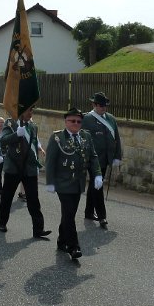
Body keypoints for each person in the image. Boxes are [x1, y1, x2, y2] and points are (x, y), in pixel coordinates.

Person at [45, 108, 102, 260]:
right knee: (69, 214)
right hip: (63, 183)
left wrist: (97, 175)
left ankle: (61, 240)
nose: (76, 124)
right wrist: (50, 182)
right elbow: (50, 161)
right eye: (72, 121)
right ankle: (73, 246)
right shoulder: (57, 138)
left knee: (69, 214)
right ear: (66, 122)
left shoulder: (86, 137)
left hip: (78, 183)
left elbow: (93, 157)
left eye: (78, 121)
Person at [0, 106, 51, 239]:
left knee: (33, 199)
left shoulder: (33, 126)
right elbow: (3, 140)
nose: (31, 113)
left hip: (29, 168)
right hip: (13, 167)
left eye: (32, 110)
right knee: (7, 197)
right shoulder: (10, 123)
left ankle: (38, 229)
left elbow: (33, 144)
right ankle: (2, 223)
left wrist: (38, 150)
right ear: (21, 112)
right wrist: (17, 134)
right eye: (29, 110)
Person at [82, 92, 122, 230]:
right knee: (98, 186)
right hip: (93, 160)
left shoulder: (111, 119)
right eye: (100, 105)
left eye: (105, 105)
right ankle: (102, 216)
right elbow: (83, 139)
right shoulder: (87, 119)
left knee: (94, 185)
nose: (103, 108)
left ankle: (88, 212)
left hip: (105, 159)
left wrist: (117, 157)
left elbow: (117, 138)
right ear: (94, 105)